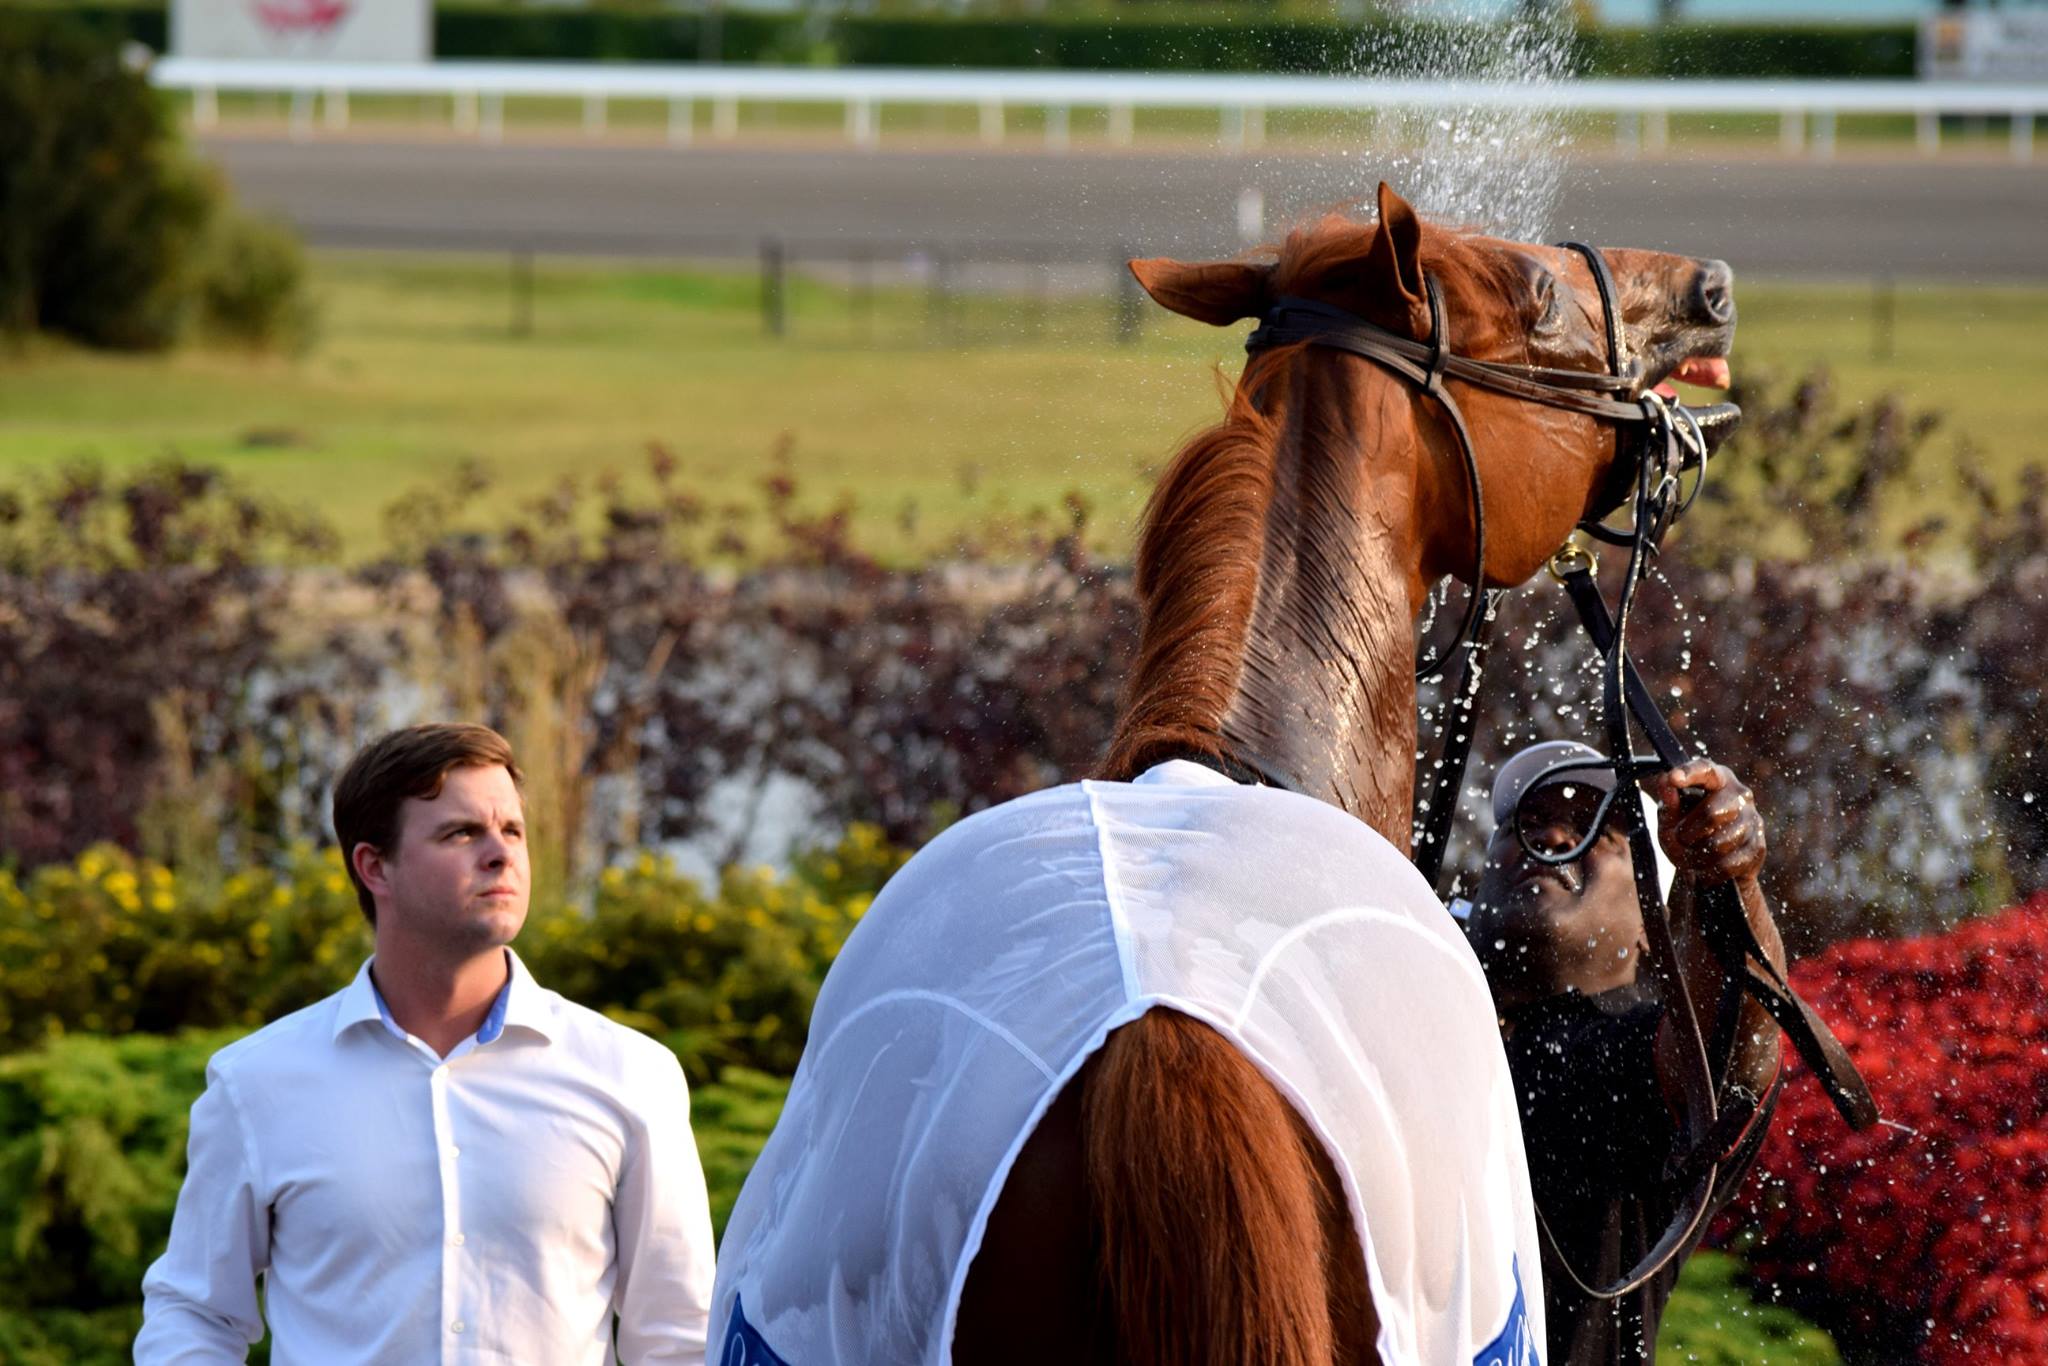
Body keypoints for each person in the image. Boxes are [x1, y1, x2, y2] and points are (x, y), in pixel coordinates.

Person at [137, 723, 716, 1365]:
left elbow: (678, 1335)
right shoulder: (257, 1083)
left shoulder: (631, 1075)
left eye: (513, 831)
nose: (501, 854)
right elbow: (194, 1314)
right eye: (461, 832)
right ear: (374, 866)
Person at [1457, 739, 1787, 1366]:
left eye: (1594, 833)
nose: (1552, 837)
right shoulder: (1419, 1004)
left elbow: (1723, 1061)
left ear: (1650, 932)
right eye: (1525, 825)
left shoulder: (1615, 1057)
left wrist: (1727, 883)